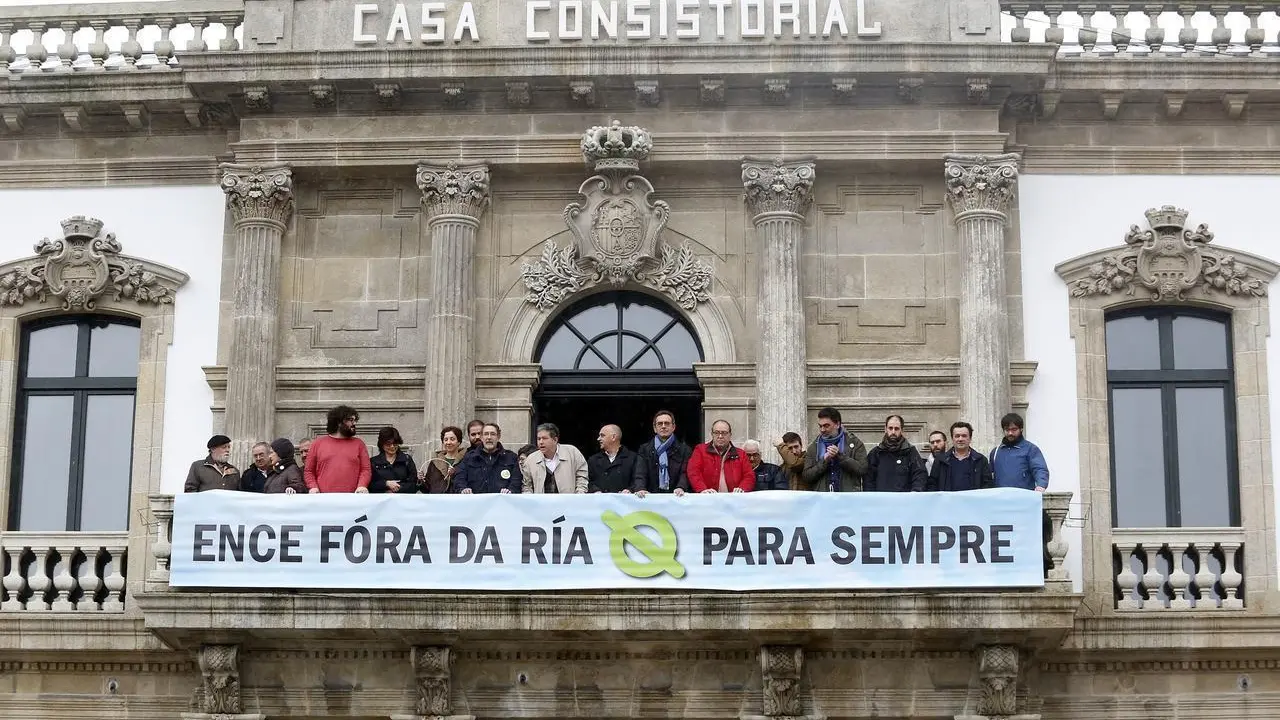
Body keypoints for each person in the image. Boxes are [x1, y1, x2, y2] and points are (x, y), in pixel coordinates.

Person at [304, 405, 371, 494]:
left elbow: (366, 469)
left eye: (355, 420)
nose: (354, 423)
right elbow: (309, 471)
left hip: (353, 498)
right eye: (351, 420)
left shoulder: (359, 444)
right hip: (323, 498)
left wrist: (362, 485)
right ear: (339, 422)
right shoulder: (317, 443)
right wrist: (313, 487)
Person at [801, 407, 867, 492]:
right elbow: (807, 476)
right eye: (820, 426)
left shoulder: (855, 443)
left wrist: (840, 456)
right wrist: (824, 461)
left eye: (826, 426)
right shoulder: (814, 447)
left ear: (837, 424)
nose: (822, 430)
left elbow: (862, 469)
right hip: (823, 497)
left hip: (848, 497)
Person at [632, 409, 691, 497]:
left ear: (673, 427)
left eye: (667, 423)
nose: (663, 426)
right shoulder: (644, 449)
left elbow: (685, 473)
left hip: (676, 497)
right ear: (654, 428)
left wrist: (681, 487)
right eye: (660, 424)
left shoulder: (685, 450)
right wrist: (640, 488)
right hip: (650, 497)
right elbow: (640, 473)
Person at [687, 419, 753, 493]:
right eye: (716, 432)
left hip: (734, 498)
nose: (720, 436)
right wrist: (702, 489)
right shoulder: (700, 450)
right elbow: (693, 472)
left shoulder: (741, 454)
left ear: (730, 435)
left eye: (724, 433)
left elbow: (749, 476)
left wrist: (742, 488)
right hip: (707, 497)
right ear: (712, 434)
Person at [453, 422, 521, 494]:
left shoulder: (511, 458)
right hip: (476, 500)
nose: (489, 437)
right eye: (486, 434)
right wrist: (463, 489)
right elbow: (459, 479)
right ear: (481, 437)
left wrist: (510, 490)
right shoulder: (469, 458)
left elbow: (516, 481)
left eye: (493, 434)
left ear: (498, 437)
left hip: (502, 500)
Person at [865, 415, 927, 492]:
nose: (893, 432)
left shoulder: (911, 451)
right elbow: (868, 480)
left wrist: (915, 492)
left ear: (902, 430)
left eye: (896, 429)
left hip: (904, 498)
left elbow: (920, 474)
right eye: (890, 428)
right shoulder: (876, 453)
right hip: (881, 498)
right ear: (885, 429)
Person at [522, 422, 589, 494]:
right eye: (539, 439)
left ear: (555, 440)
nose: (541, 442)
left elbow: (582, 476)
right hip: (541, 501)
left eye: (544, 438)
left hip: (568, 500)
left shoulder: (572, 453)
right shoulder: (531, 459)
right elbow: (527, 486)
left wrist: (579, 495)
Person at [990, 412, 1049, 492]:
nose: (1010, 433)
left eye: (1014, 429)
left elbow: (1040, 469)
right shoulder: (996, 452)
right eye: (1007, 429)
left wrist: (1041, 485)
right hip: (1000, 497)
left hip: (1023, 497)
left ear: (1021, 429)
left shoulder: (1031, 449)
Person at [928, 421, 993, 492]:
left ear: (970, 438)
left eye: (964, 436)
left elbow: (987, 486)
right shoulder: (940, 461)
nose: (960, 439)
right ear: (952, 438)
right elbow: (932, 485)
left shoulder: (981, 460)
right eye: (957, 436)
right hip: (948, 499)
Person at [587, 424, 639, 493]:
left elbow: (638, 480)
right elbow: (589, 482)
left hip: (624, 499)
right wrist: (595, 490)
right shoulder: (593, 460)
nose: (598, 439)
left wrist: (629, 490)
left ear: (613, 437)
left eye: (602, 435)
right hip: (600, 499)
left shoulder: (633, 458)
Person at [370, 426, 418, 494]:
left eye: (395, 443)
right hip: (381, 499)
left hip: (403, 498)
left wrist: (398, 488)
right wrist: (386, 484)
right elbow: (370, 485)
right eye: (388, 444)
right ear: (382, 444)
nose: (392, 446)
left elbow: (414, 484)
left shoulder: (407, 459)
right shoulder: (373, 462)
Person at [420, 426, 466, 493]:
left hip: (457, 498)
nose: (448, 442)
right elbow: (427, 489)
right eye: (446, 440)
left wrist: (454, 475)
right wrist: (421, 480)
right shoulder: (435, 461)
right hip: (437, 499)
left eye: (452, 439)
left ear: (459, 442)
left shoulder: (465, 460)